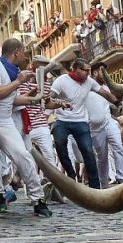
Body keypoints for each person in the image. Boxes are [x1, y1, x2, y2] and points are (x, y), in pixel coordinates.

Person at [0, 39, 52, 216]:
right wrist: (18, 82)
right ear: (17, 52)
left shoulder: (14, 71)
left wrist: (33, 98)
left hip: (4, 121)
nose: (25, 56)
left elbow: (11, 99)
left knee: (23, 155)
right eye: (23, 52)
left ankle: (38, 200)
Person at [48, 59, 118, 189]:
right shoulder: (61, 81)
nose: (88, 73)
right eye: (86, 70)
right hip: (62, 120)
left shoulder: (89, 82)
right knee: (59, 143)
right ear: (76, 69)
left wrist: (117, 102)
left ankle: (95, 187)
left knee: (88, 151)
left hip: (80, 121)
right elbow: (48, 99)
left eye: (89, 70)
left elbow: (104, 93)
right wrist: (59, 103)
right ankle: (71, 174)